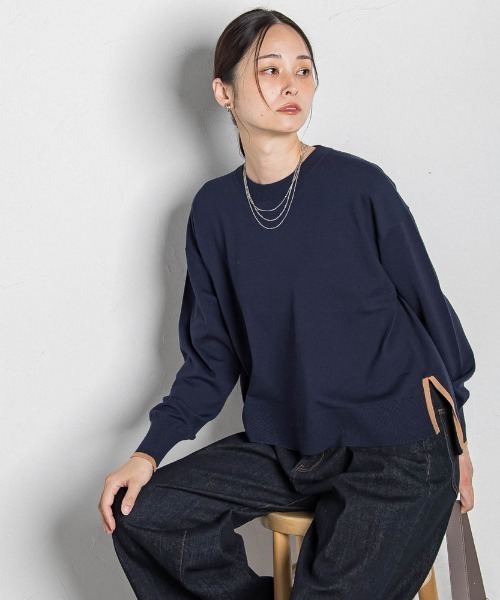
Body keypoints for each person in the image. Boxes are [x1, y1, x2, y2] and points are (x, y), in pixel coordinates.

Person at [98, 8, 476, 599]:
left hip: (398, 450)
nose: (292, 84)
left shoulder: (359, 186)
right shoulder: (215, 211)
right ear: (224, 92)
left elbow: (433, 314)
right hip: (290, 446)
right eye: (270, 69)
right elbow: (211, 360)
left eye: (303, 69)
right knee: (141, 516)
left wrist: (458, 443)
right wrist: (147, 454)